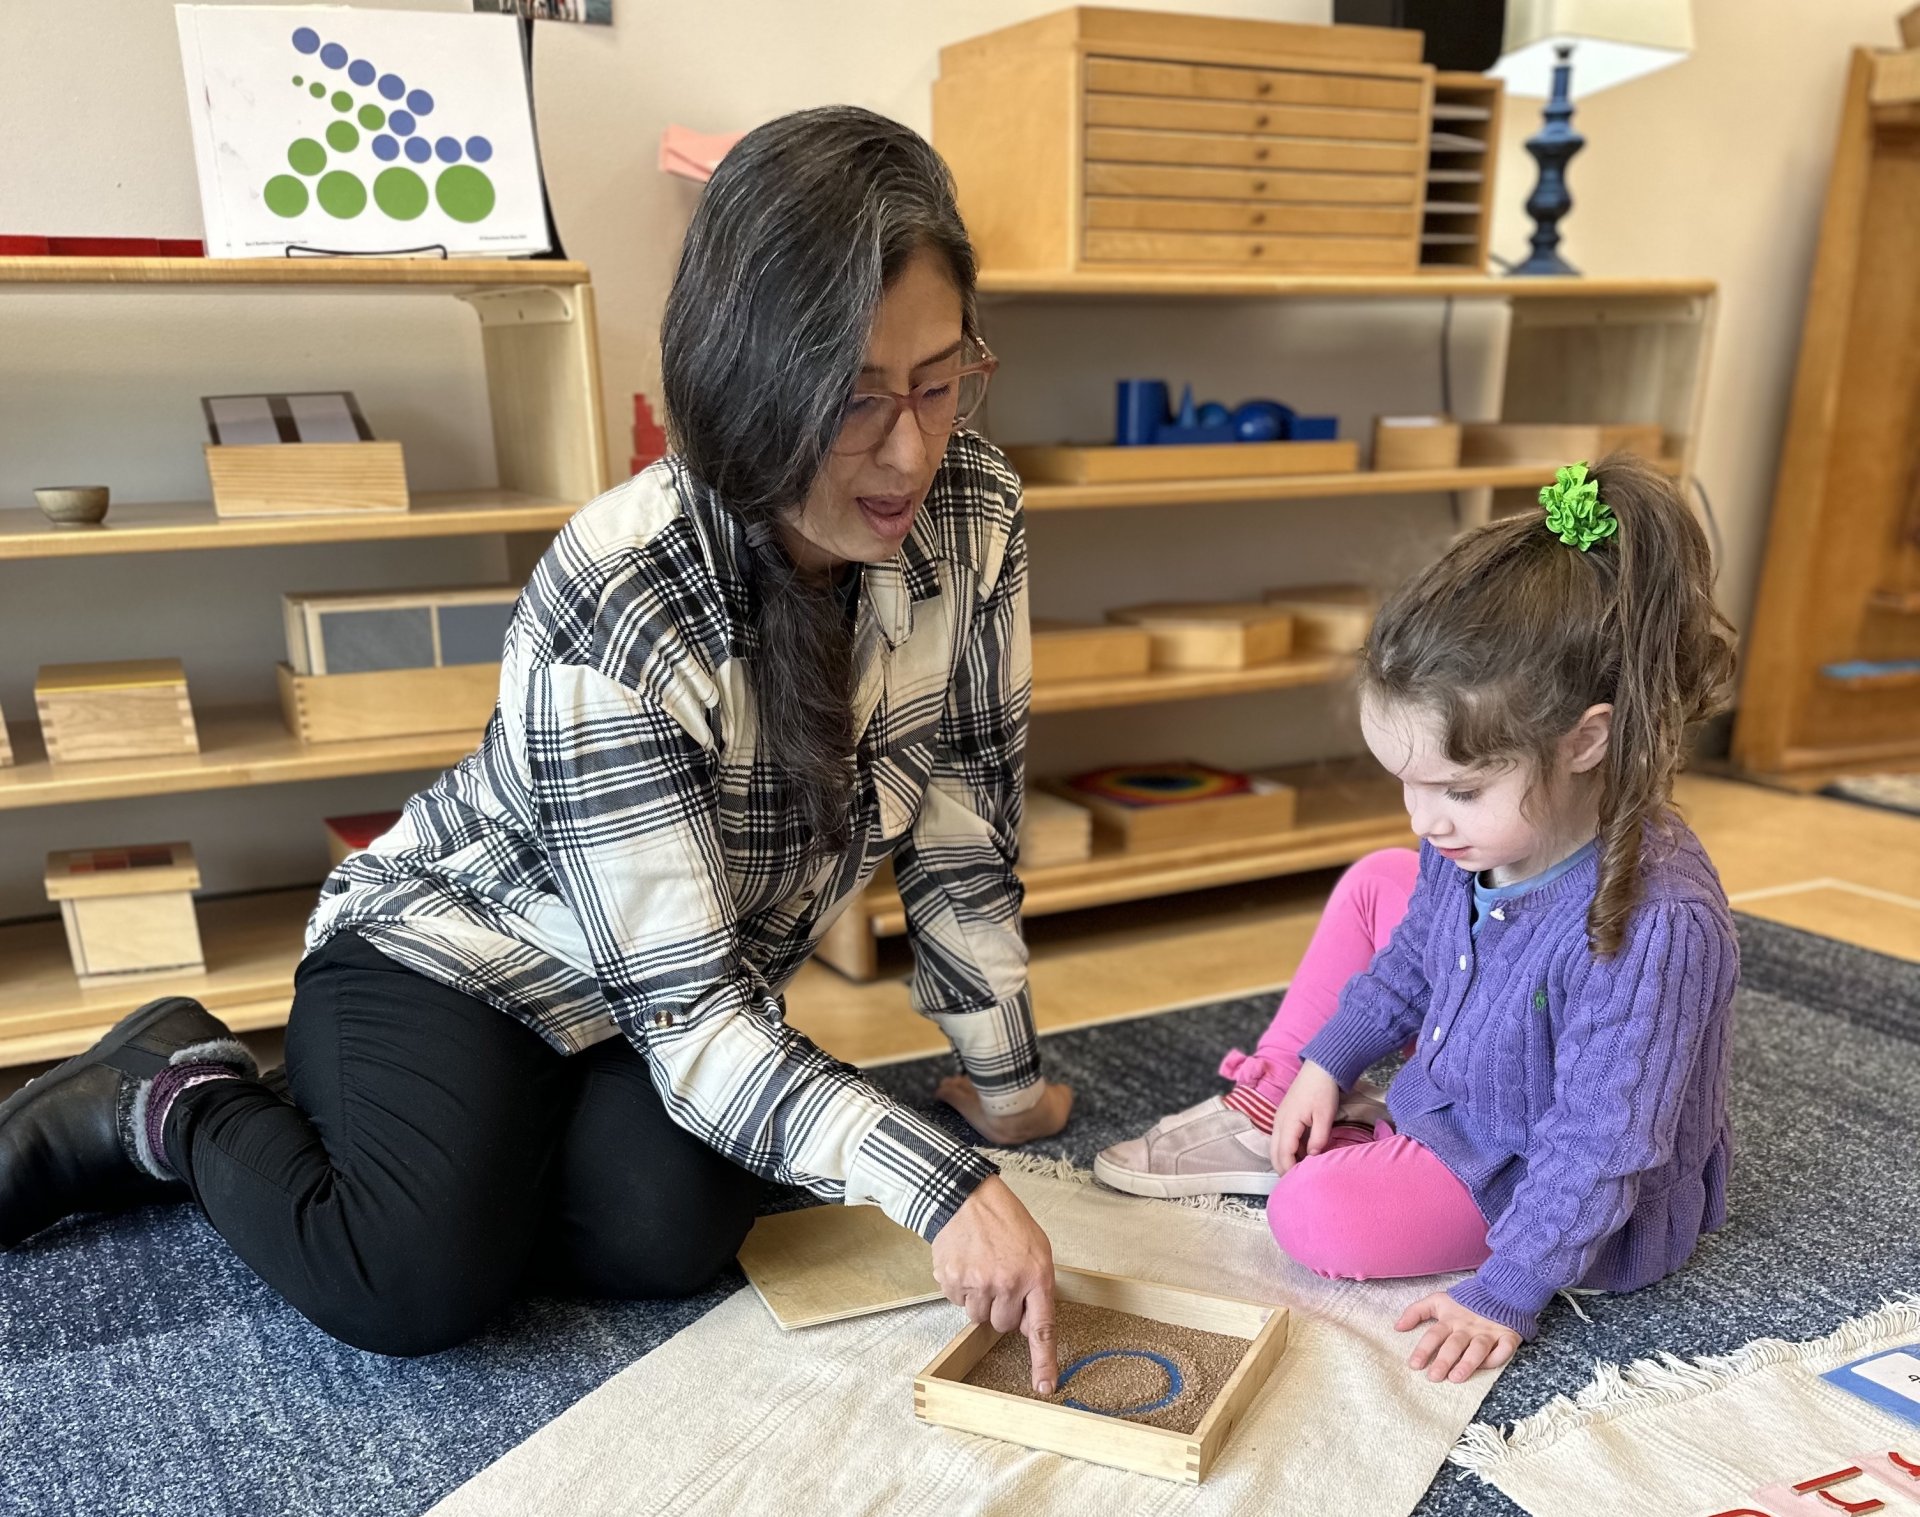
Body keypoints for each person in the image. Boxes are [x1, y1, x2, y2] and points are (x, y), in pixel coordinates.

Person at [0, 107, 1070, 1388]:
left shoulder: (977, 510)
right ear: (750, 386)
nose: (911, 448)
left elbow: (962, 827)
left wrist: (1002, 1086)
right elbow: (696, 1020)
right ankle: (171, 1094)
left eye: (940, 382)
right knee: (408, 1276)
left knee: (673, 1229)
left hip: (654, 990)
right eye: (853, 400)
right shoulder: (620, 589)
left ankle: (446, 1156)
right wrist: (944, 1184)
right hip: (457, 949)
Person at [1096, 456, 1740, 1385]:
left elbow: (1601, 1145)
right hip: (1470, 1094)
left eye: (1458, 789)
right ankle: (1279, 1097)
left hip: (1528, 1173)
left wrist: (1506, 1289)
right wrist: (1327, 1061)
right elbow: (1411, 959)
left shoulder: (1657, 924)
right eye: (1407, 780)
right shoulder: (1470, 839)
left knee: (1310, 1213)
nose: (1424, 817)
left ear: (1586, 741)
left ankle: (1356, 1141)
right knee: (1378, 880)